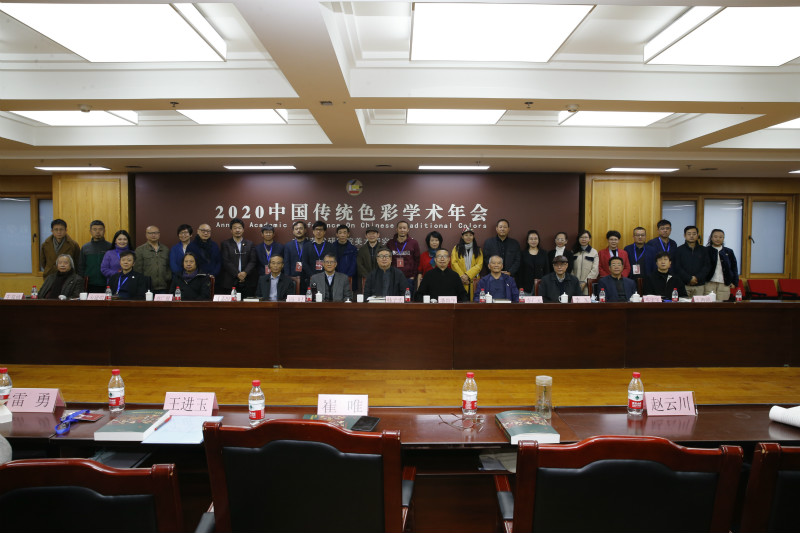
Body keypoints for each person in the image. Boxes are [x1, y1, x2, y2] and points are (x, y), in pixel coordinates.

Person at [219, 218, 257, 297]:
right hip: (230, 281)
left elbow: (253, 261)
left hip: (247, 280)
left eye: (239, 228)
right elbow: (226, 261)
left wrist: (245, 273)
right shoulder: (225, 244)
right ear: (231, 230)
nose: (237, 230)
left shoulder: (250, 244)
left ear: (243, 230)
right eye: (235, 228)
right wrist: (237, 274)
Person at [673, 225, 711, 298]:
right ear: (684, 235)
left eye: (694, 234)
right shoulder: (679, 250)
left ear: (697, 235)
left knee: (699, 305)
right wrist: (689, 278)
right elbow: (677, 267)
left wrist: (697, 278)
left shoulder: (704, 250)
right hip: (684, 285)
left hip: (699, 284)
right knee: (683, 304)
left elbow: (707, 266)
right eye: (689, 234)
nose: (691, 236)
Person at [704, 229, 739, 302]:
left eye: (720, 237)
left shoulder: (729, 251)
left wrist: (735, 282)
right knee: (708, 304)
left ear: (723, 238)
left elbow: (734, 268)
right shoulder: (705, 250)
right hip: (709, 283)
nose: (718, 239)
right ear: (711, 238)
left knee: (722, 305)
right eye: (715, 237)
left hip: (724, 283)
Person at [134, 225, 171, 293]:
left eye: (156, 233)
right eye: (150, 233)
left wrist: (167, 277)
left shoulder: (165, 249)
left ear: (159, 234)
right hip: (147, 287)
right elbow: (137, 270)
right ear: (146, 235)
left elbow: (168, 267)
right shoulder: (140, 250)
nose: (153, 235)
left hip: (163, 287)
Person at [77, 219, 111, 293]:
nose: (98, 232)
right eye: (95, 229)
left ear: (104, 231)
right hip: (89, 284)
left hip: (107, 284)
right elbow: (81, 267)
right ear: (90, 231)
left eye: (100, 229)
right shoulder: (85, 247)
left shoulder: (110, 247)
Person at [387, 220, 420, 290]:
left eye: (404, 228)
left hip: (408, 278)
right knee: (393, 297)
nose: (402, 230)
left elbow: (417, 260)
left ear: (408, 230)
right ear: (397, 229)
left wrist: (413, 276)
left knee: (407, 297)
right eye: (400, 228)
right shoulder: (390, 243)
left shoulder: (414, 243)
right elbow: (387, 259)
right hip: (393, 277)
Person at [451, 229, 483, 300]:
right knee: (461, 301)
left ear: (473, 237)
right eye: (466, 235)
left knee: (474, 302)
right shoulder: (456, 248)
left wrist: (467, 275)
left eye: (470, 235)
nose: (468, 237)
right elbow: (454, 263)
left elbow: (479, 265)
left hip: (473, 280)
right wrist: (462, 276)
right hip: (460, 280)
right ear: (462, 237)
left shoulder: (478, 249)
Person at [519, 230, 549, 296]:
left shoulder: (544, 253)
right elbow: (520, 272)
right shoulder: (522, 254)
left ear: (538, 240)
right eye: (531, 239)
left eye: (535, 239)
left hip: (541, 286)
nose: (533, 241)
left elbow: (546, 270)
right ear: (527, 241)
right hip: (526, 287)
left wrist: (546, 285)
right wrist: (520, 287)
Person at [571, 229, 598, 295]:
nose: (583, 239)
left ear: (589, 239)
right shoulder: (574, 251)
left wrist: (585, 282)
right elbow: (570, 268)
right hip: (574, 284)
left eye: (586, 237)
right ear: (578, 239)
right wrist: (575, 281)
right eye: (581, 237)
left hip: (588, 284)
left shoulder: (594, 252)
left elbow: (595, 269)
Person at [283, 221, 309, 287]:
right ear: (293, 231)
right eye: (296, 229)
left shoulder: (310, 244)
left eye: (301, 228)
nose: (298, 231)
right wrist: (287, 278)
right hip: (293, 278)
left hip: (307, 278)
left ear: (305, 230)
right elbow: (286, 263)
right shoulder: (288, 245)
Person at [333, 225, 358, 290]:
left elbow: (354, 265)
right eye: (340, 233)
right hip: (334, 278)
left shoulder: (353, 249)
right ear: (337, 234)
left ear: (348, 234)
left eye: (344, 232)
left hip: (348, 278)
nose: (342, 235)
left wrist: (346, 277)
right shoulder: (331, 247)